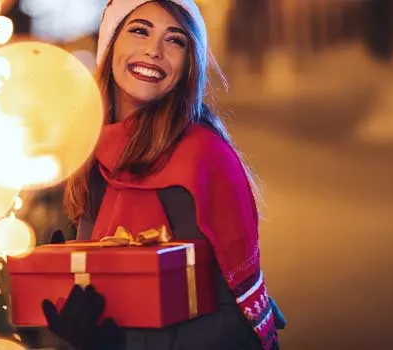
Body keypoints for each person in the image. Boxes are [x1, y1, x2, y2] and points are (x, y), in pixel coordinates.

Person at [33, 1, 284, 349]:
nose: (154, 50)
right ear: (111, 43)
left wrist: (122, 342)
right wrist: (62, 284)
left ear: (187, 64)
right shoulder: (92, 156)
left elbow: (239, 328)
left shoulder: (202, 159)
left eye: (175, 40)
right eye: (139, 31)